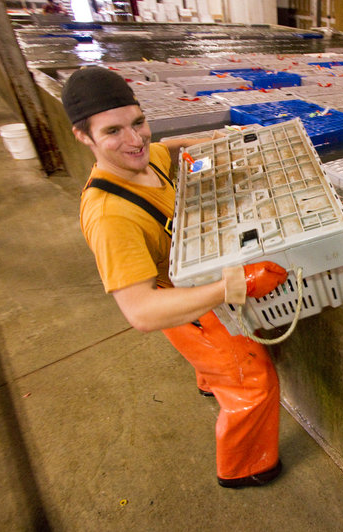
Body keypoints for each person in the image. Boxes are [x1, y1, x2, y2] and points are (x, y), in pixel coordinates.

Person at [61, 66, 289, 488]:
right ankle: (246, 466)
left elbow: (169, 148)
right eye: (113, 131)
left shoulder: (145, 163)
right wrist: (230, 287)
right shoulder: (111, 215)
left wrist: (213, 140)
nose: (135, 140)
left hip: (185, 281)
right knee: (253, 378)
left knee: (221, 368)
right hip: (185, 311)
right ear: (83, 136)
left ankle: (210, 380)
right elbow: (142, 312)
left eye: (139, 122)